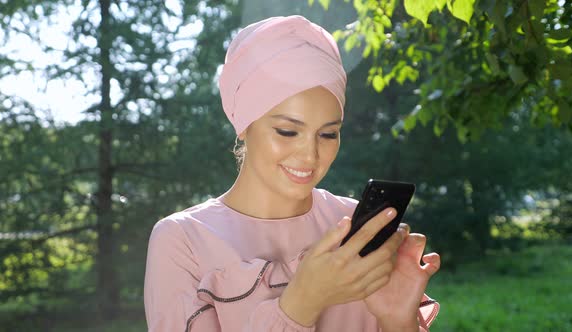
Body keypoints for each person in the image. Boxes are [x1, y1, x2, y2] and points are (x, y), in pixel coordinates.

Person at [144, 15, 440, 332]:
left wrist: (397, 321)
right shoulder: (183, 240)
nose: (310, 156)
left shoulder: (355, 225)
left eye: (328, 134)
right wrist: (301, 304)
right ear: (243, 124)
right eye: (287, 131)